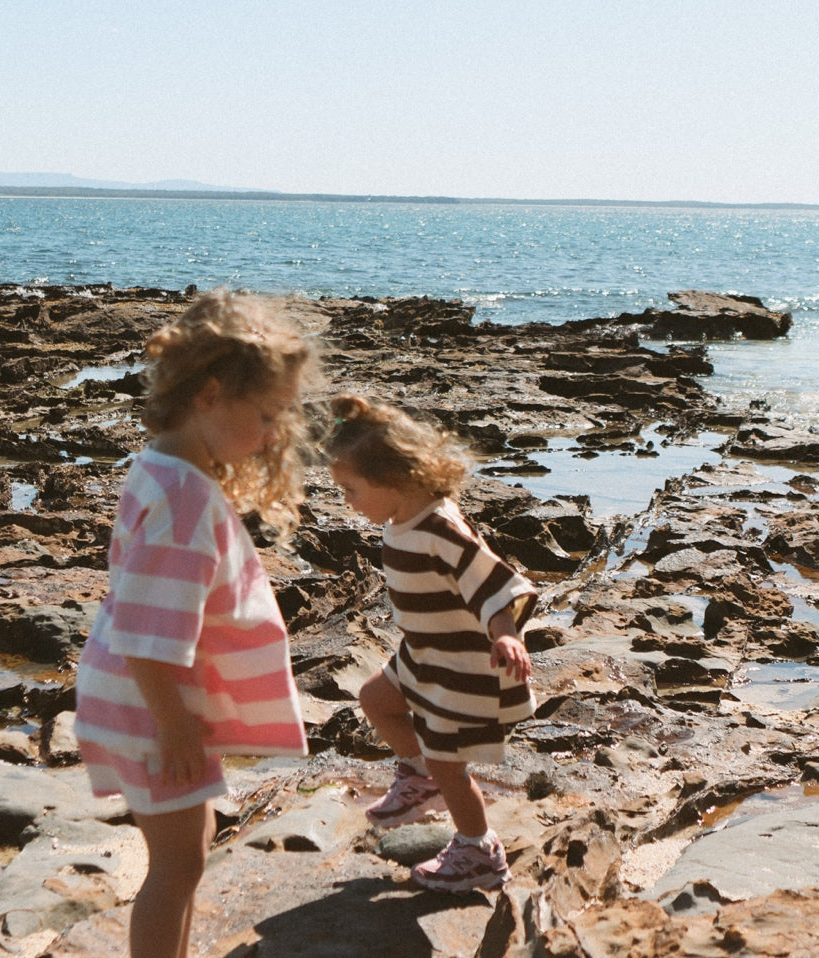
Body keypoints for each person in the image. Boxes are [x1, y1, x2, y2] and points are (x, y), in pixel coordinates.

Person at [74, 289, 314, 958]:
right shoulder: (182, 500)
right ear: (210, 396)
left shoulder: (163, 464)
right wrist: (176, 726)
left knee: (187, 853)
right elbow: (149, 637)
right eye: (266, 416)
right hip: (152, 705)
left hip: (144, 698)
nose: (274, 435)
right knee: (175, 866)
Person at [324, 393, 537, 895]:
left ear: (393, 478)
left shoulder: (442, 526)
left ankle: (477, 850)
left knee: (449, 761)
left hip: (462, 662)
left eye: (351, 490)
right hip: (422, 655)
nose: (348, 502)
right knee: (375, 699)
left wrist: (505, 632)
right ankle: (418, 777)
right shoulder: (403, 520)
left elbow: (490, 581)